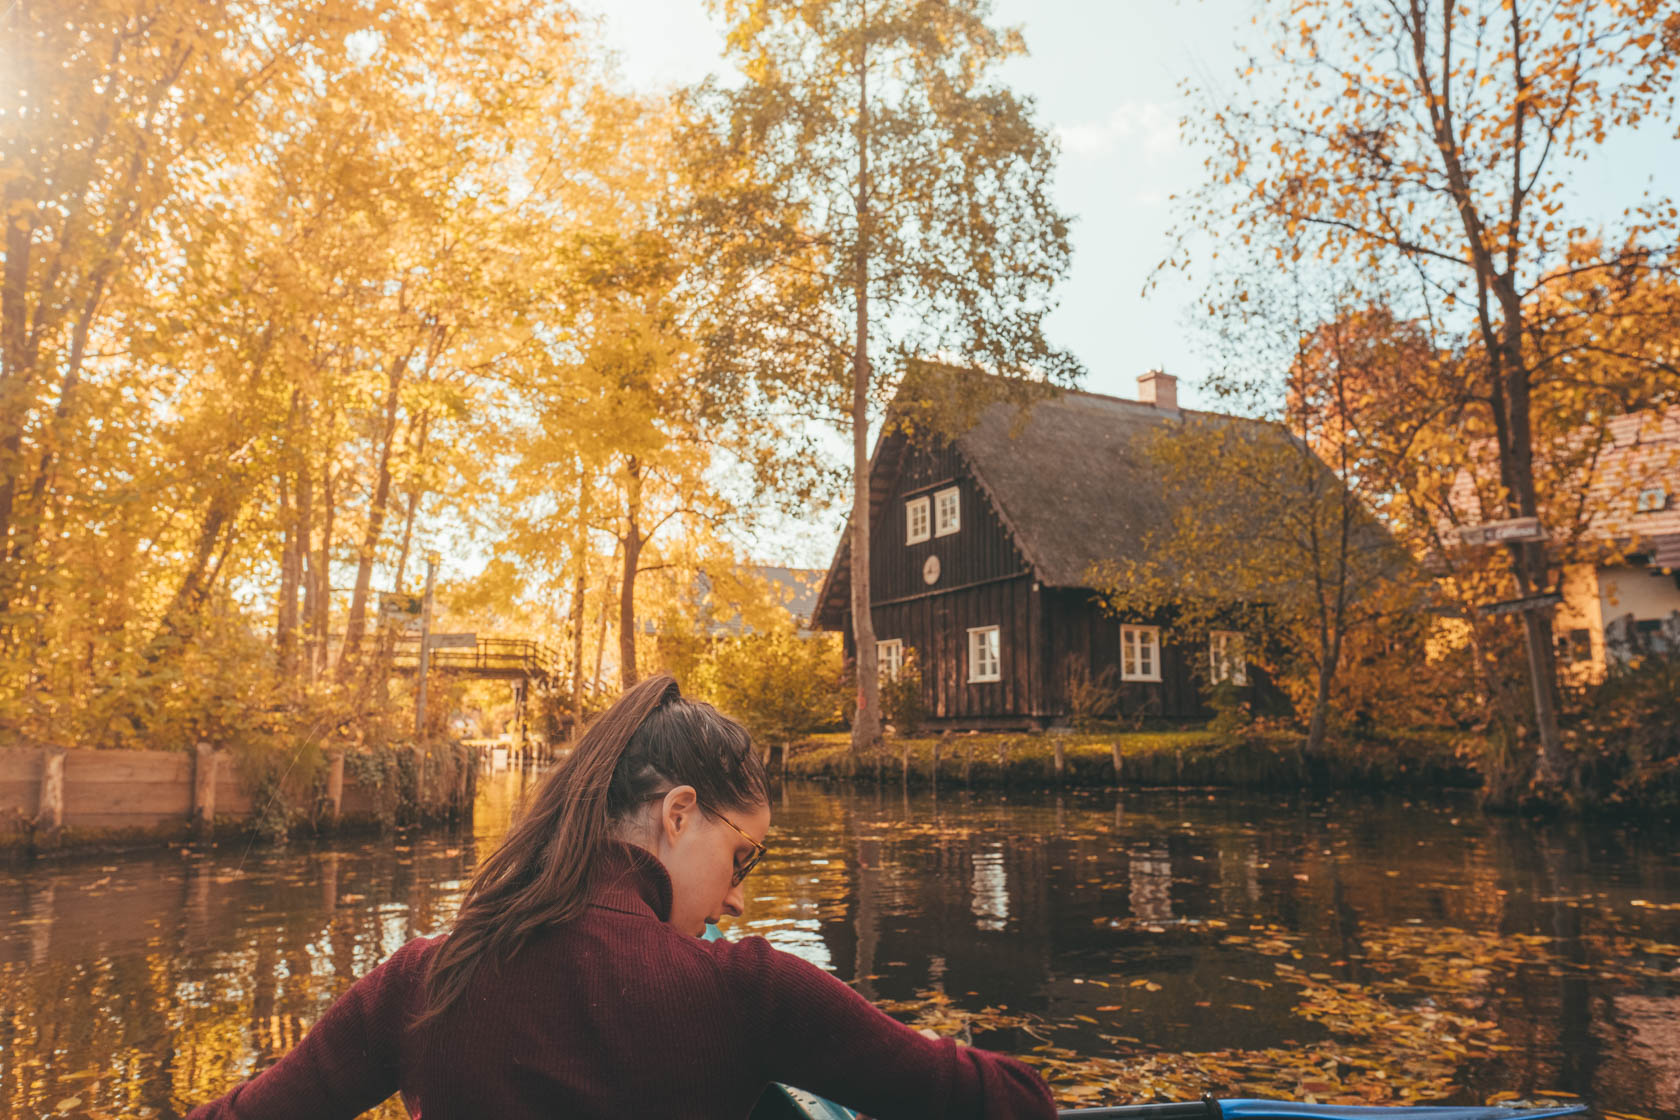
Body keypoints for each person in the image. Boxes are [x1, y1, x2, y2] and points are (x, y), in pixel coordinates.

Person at [187, 674, 1056, 1119]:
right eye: (741, 857)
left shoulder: (419, 981)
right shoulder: (748, 992)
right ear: (680, 815)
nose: (735, 903)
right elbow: (1010, 1103)